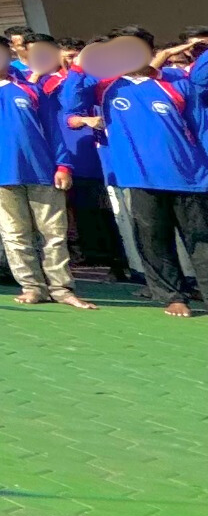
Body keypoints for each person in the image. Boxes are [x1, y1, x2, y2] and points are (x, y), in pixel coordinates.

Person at [0, 34, 89, 307]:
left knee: (53, 233)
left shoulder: (30, 86)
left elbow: (53, 128)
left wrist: (63, 164)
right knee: (15, 233)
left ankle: (62, 289)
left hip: (43, 171)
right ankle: (32, 286)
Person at [91, 29, 208, 315]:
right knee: (154, 239)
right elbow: (74, 84)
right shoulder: (108, 86)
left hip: (189, 176)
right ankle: (172, 296)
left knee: (202, 240)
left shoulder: (178, 82)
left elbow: (200, 127)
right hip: (140, 178)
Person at [36, 36, 126, 281]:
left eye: (77, 53)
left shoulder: (100, 78)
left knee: (109, 208)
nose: (72, 58)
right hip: (74, 151)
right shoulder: (50, 81)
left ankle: (117, 258)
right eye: (68, 53)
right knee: (83, 206)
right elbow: (62, 107)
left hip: (103, 152)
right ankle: (94, 254)